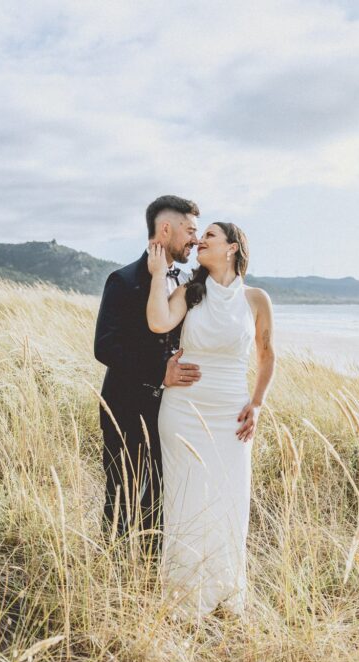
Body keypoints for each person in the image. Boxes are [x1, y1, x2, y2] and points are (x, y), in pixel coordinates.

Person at [146, 221, 275, 619]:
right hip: (184, 411)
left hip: (232, 416)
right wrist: (156, 278)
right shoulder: (190, 292)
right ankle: (183, 597)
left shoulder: (256, 300)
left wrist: (256, 404)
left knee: (228, 498)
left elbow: (267, 355)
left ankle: (223, 591)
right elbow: (159, 322)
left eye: (211, 236)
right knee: (185, 499)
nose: (201, 240)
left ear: (233, 248)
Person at [93, 195, 202, 542]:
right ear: (165, 229)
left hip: (170, 410)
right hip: (124, 406)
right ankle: (115, 570)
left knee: (160, 491)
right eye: (190, 230)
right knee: (123, 493)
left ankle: (153, 569)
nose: (195, 240)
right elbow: (105, 346)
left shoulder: (187, 282)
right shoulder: (123, 280)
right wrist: (159, 373)